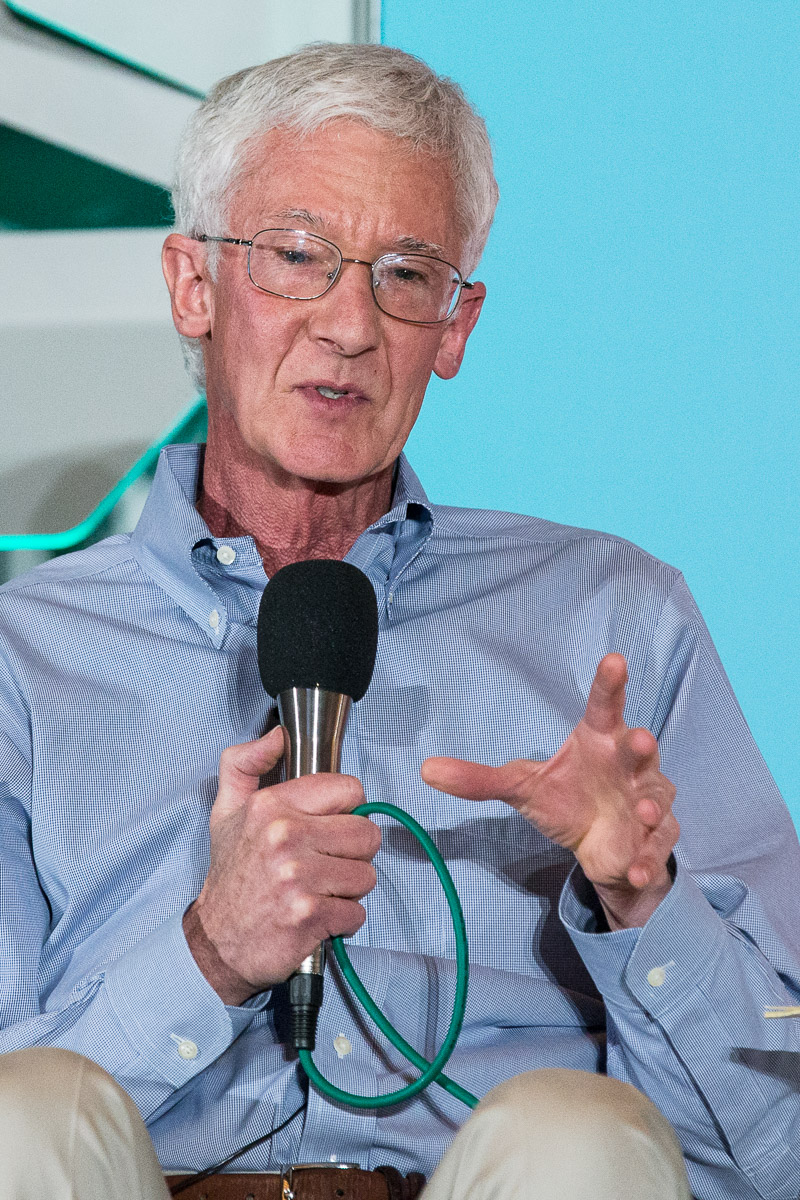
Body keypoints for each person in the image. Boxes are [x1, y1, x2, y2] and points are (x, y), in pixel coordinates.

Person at [0, 42, 798, 1200]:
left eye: (405, 276)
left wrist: (644, 904)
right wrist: (212, 951)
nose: (349, 324)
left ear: (456, 326)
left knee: (574, 1136)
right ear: (193, 285)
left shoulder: (612, 622)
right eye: (296, 257)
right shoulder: (24, 658)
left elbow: (775, 1155)